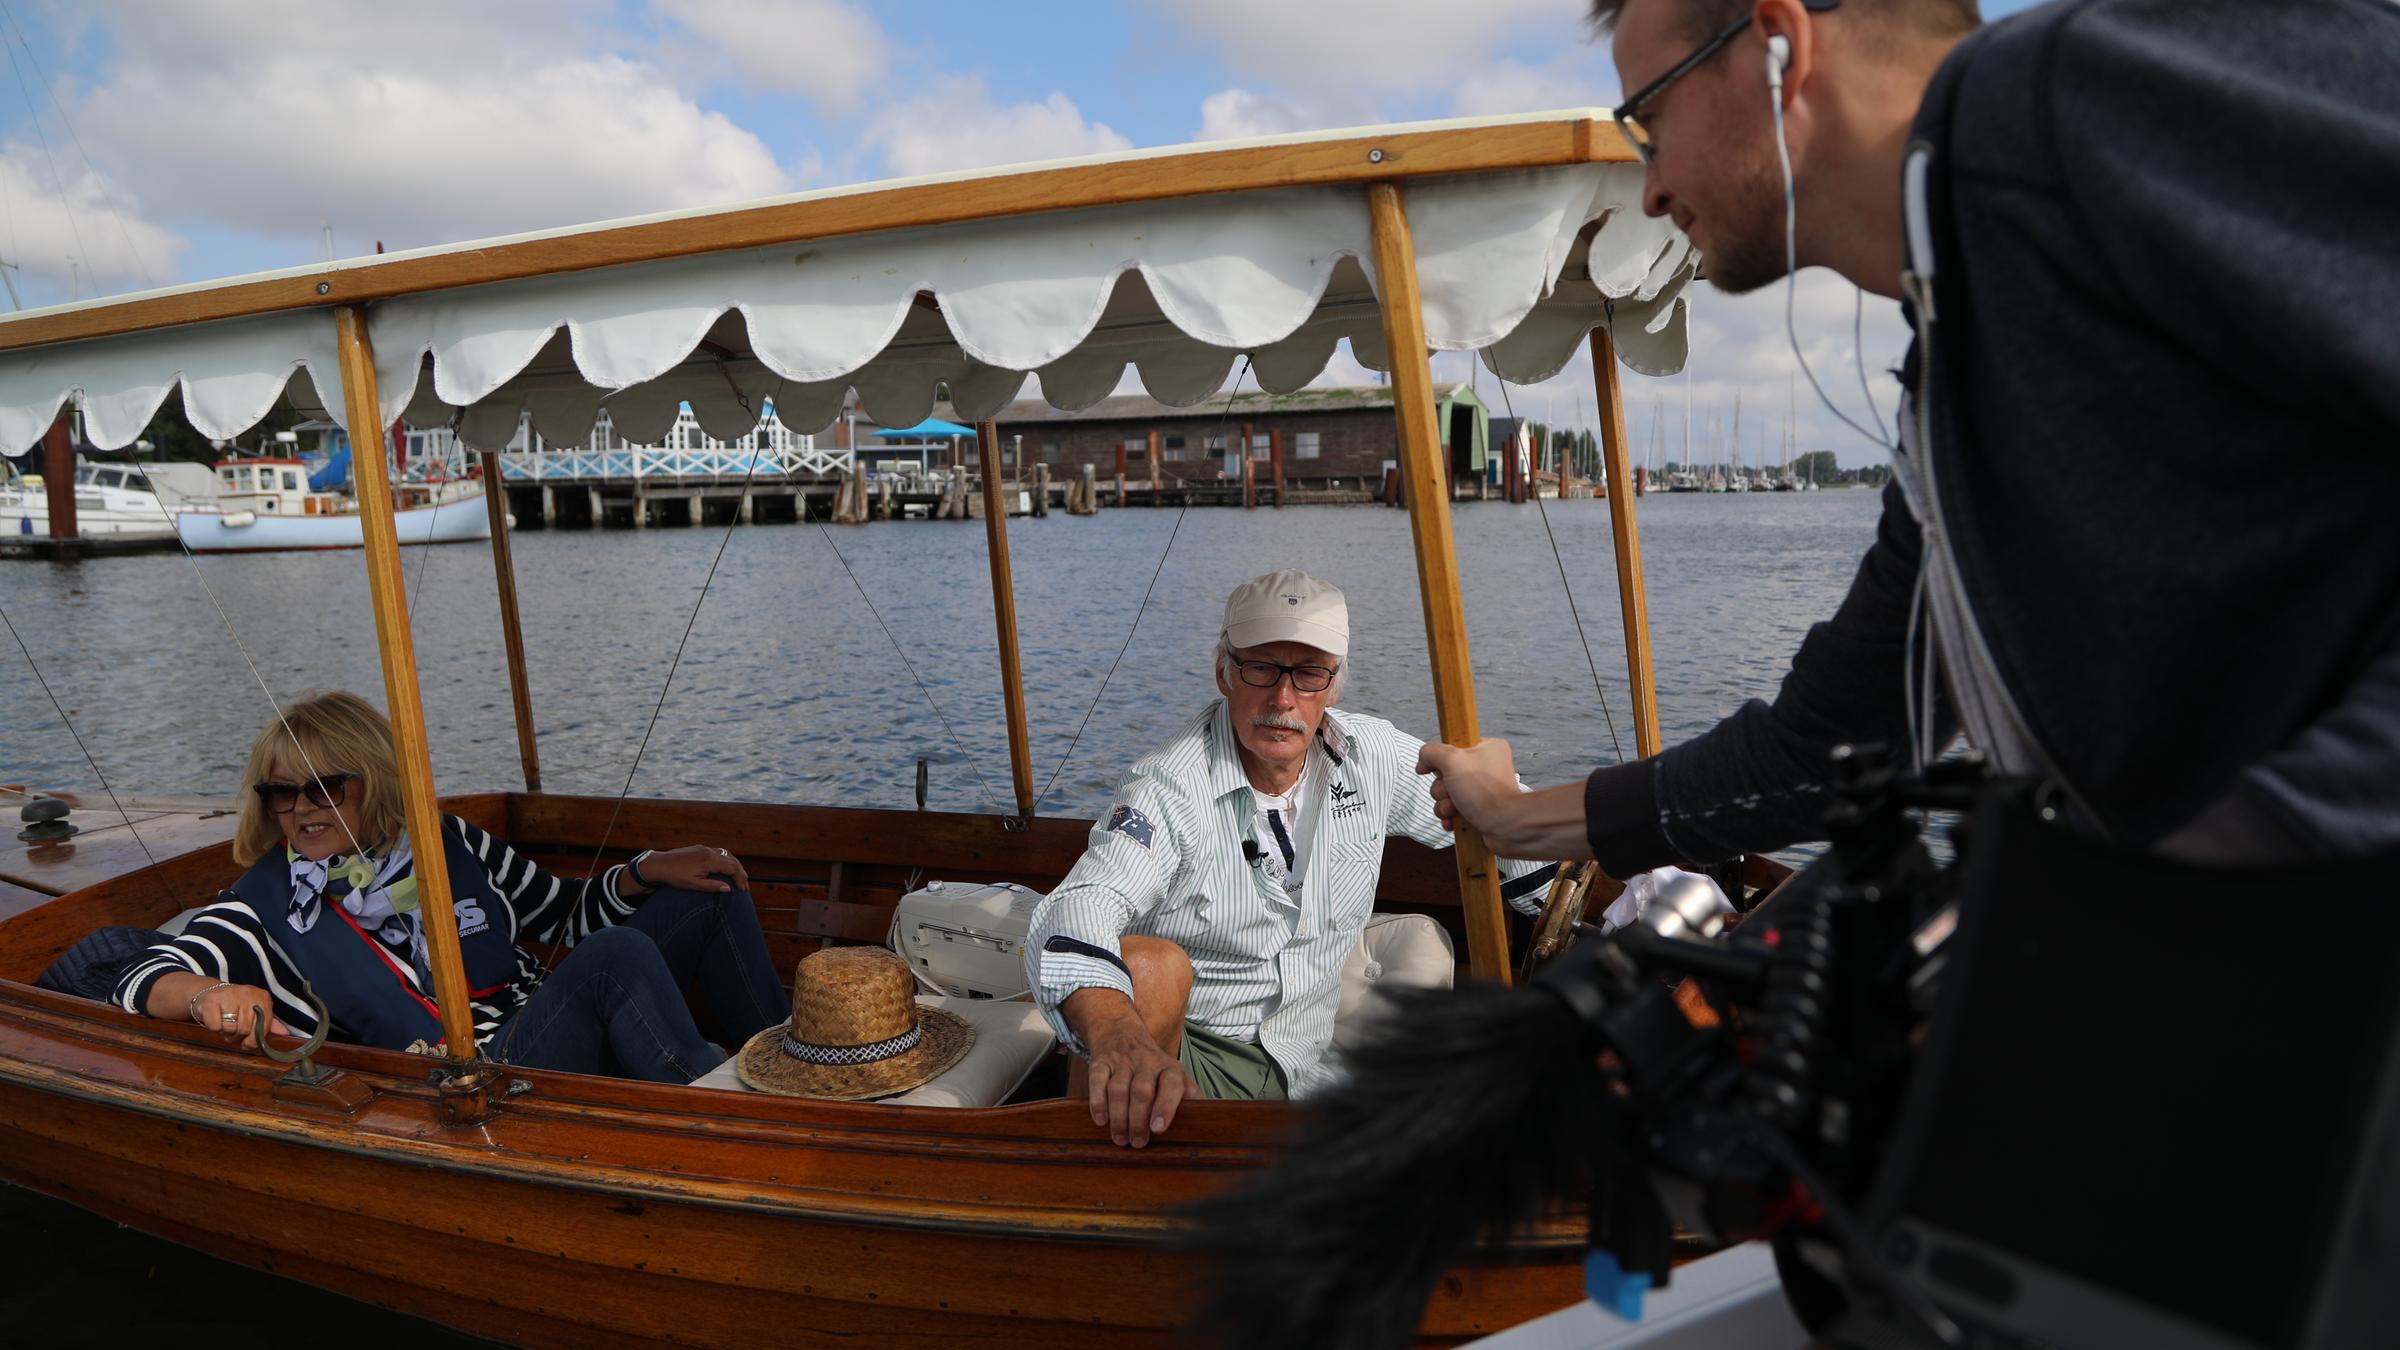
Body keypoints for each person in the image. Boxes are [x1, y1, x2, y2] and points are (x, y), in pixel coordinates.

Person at [1422, 0, 2400, 873]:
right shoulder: (1952, 386)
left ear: (1777, 48)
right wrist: (1513, 818)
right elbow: (1828, 743)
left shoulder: (2066, 97)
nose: (1652, 187)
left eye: (1651, 121)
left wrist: (2232, 875)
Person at [1025, 570, 1561, 1148]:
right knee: (1150, 967)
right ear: (1224, 673)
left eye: (1307, 674)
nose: (1283, 699)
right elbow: (1079, 906)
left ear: (1333, 687)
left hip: (1314, 1068)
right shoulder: (1167, 787)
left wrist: (1586, 904)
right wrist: (1119, 1035)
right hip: (1184, 1061)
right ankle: (1102, 1183)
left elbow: (1502, 814)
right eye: (1261, 668)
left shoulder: (1370, 756)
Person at [111, 691, 789, 1082]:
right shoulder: (265, 907)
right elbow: (145, 974)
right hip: (479, 1072)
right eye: (281, 793)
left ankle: (795, 1061)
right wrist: (207, 995)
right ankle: (716, 1111)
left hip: (540, 1014)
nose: (303, 809)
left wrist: (648, 871)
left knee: (708, 896)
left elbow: (562, 915)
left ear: (371, 783)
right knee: (617, 957)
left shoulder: (445, 841)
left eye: (325, 788)